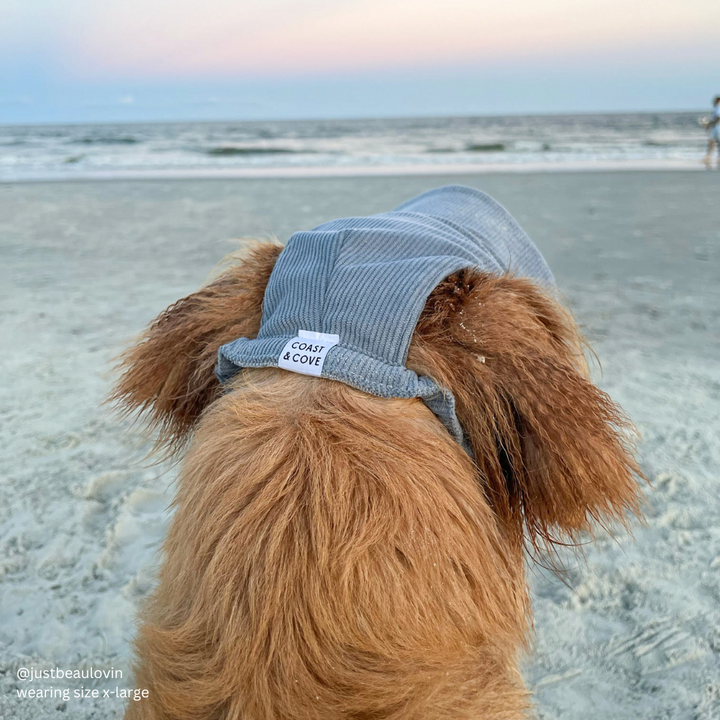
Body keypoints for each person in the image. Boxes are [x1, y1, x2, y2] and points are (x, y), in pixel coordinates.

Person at [703, 95, 720, 168]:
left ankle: (708, 157)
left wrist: (710, 124)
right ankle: (709, 156)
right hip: (715, 127)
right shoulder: (715, 108)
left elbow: (718, 117)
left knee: (712, 142)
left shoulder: (718, 108)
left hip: (716, 128)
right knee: (712, 142)